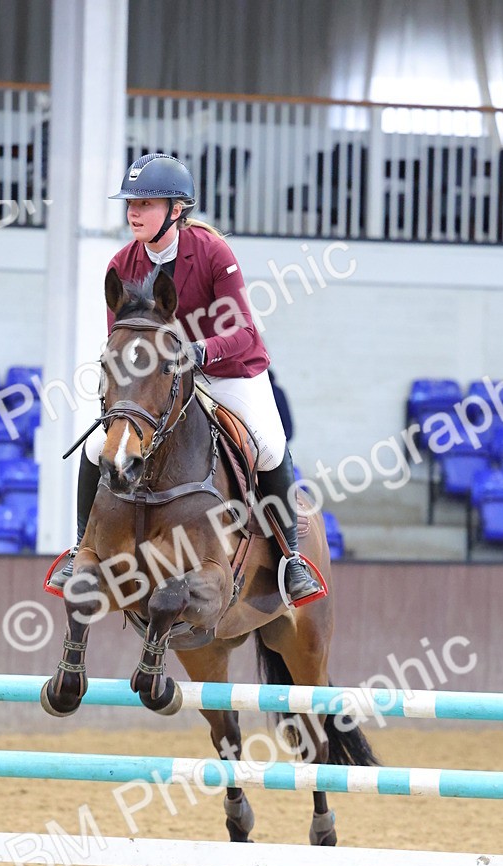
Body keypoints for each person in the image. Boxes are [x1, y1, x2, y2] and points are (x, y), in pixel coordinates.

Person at [53, 152, 321, 603]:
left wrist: (199, 352)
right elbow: (119, 339)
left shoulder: (214, 252)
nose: (133, 212)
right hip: (161, 379)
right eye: (131, 204)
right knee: (100, 445)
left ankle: (291, 558)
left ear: (176, 210)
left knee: (270, 444)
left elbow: (245, 330)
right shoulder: (121, 264)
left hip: (228, 369)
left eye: (146, 204)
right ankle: (81, 546)